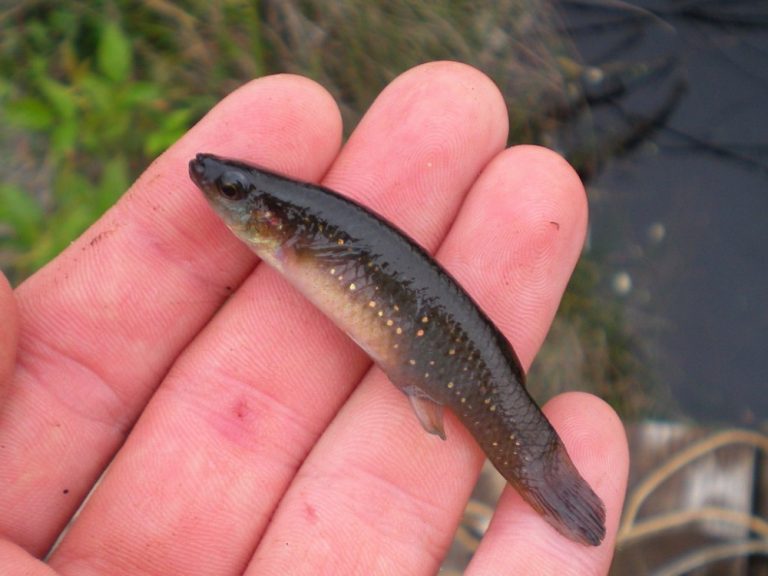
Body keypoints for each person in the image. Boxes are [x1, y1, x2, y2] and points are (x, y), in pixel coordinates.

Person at [0, 62, 628, 575]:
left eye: (233, 191)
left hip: (453, 353)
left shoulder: (293, 233)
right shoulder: (286, 233)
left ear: (274, 220)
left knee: (494, 393)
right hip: (434, 347)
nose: (209, 183)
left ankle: (547, 480)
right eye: (230, 189)